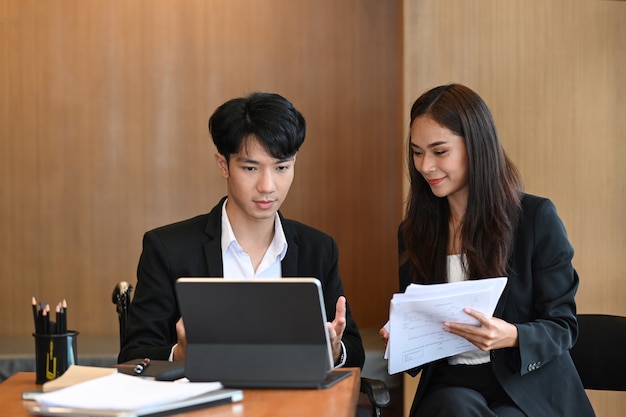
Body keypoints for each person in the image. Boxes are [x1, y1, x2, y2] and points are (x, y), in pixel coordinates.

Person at [380, 84, 595, 416]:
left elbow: (563, 326)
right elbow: (422, 322)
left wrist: (512, 335)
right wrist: (403, 333)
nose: (425, 167)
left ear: (476, 147)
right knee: (454, 407)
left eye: (439, 152)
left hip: (527, 383)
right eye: (417, 152)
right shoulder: (413, 232)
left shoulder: (536, 219)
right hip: (450, 384)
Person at [118, 92, 365, 371]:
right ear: (224, 165)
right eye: (250, 168)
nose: (267, 186)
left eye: (281, 167)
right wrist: (180, 354)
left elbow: (353, 350)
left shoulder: (318, 249)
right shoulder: (167, 248)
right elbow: (133, 356)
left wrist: (335, 352)